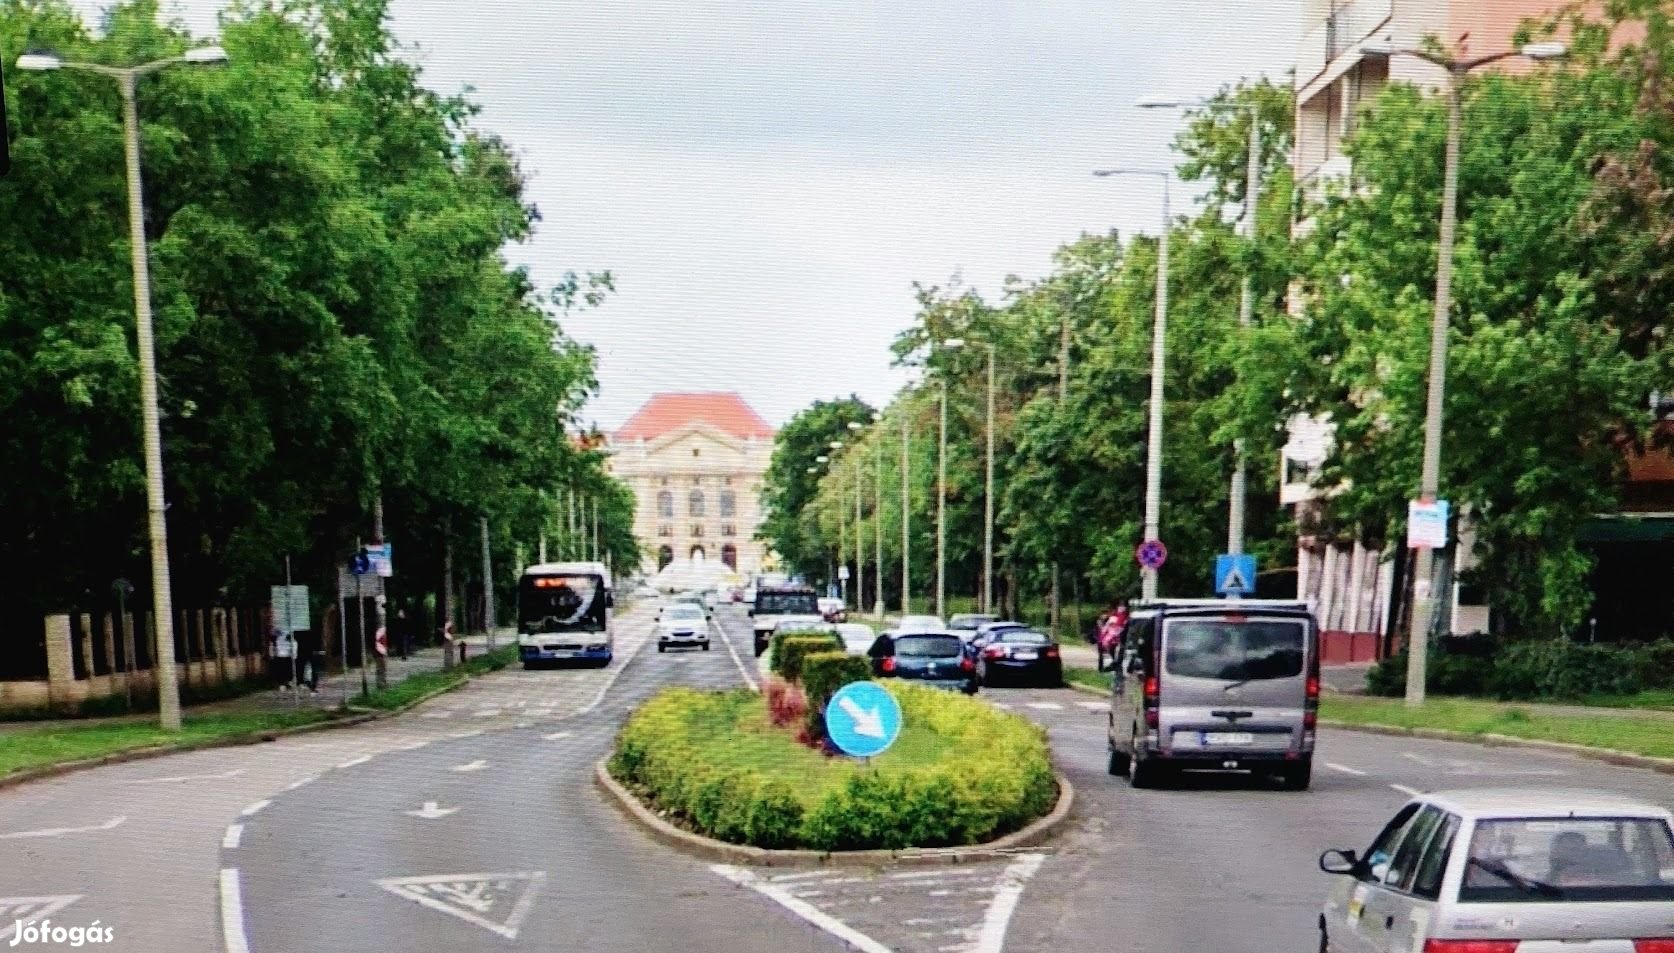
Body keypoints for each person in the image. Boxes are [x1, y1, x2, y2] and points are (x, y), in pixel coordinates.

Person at [1097, 601, 1130, 672]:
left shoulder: (1127, 618)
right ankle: (1110, 666)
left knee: (1117, 656)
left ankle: (1114, 666)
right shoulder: (1113, 617)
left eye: (1123, 606)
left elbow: (1123, 628)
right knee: (1109, 653)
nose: (1121, 608)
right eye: (1120, 606)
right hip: (1110, 639)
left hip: (1119, 640)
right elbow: (1105, 627)